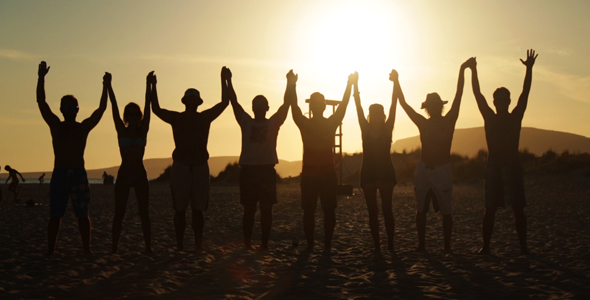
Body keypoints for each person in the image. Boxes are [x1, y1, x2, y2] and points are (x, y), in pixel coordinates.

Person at [396, 58, 472, 252]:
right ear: (428, 108)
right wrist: (396, 82)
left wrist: (463, 69)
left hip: (442, 170)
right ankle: (421, 245)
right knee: (420, 209)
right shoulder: (423, 123)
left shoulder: (449, 120)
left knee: (446, 211)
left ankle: (447, 247)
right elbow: (404, 104)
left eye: (436, 104)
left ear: (440, 106)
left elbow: (459, 94)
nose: (434, 107)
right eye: (431, 105)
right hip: (424, 169)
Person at [152, 67, 229, 251]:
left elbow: (224, 102)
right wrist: (152, 86)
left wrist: (223, 79)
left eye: (194, 100)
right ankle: (181, 245)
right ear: (186, 102)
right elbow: (155, 108)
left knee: (197, 209)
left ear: (197, 102)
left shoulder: (204, 118)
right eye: (190, 100)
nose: (192, 102)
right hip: (182, 166)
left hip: (199, 166)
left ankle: (197, 244)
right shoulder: (179, 118)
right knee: (180, 209)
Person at [470, 50, 538, 255]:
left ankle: (524, 247)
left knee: (518, 208)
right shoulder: (489, 117)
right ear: (494, 102)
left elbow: (525, 93)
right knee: (489, 209)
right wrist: (473, 70)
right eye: (497, 99)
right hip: (493, 166)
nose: (500, 102)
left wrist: (529, 69)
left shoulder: (515, 116)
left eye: (504, 99)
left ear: (508, 101)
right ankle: (486, 247)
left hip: (512, 165)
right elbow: (477, 94)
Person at [37, 61, 108, 255]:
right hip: (60, 174)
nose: (69, 110)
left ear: (77, 109)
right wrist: (41, 78)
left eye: (72, 107)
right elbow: (42, 103)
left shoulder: (82, 128)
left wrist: (106, 87)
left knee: (82, 215)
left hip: (78, 174)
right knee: (55, 215)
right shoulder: (56, 126)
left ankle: (86, 249)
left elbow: (100, 110)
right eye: (65, 107)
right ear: (61, 109)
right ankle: (51, 250)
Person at [289, 70, 355, 251]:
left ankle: (317, 245)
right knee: (322, 211)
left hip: (319, 172)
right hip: (319, 172)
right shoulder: (325, 123)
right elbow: (343, 105)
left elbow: (293, 106)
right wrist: (349, 85)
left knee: (319, 211)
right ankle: (322, 244)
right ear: (322, 107)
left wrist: (291, 84)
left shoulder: (312, 123)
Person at [227, 68, 290, 250]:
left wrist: (291, 84)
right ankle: (247, 243)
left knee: (266, 210)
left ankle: (263, 244)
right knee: (249, 210)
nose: (259, 107)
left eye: (262, 105)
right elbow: (234, 102)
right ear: (253, 107)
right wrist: (228, 81)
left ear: (267, 108)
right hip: (248, 171)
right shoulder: (246, 122)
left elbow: (286, 105)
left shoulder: (273, 123)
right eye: (256, 104)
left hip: (266, 171)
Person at [109, 71, 155, 253]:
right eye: (131, 114)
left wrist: (149, 85)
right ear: (126, 117)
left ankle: (148, 248)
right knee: (119, 213)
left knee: (144, 213)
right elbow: (113, 106)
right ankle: (114, 248)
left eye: (137, 114)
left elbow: (148, 105)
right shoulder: (121, 130)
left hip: (140, 173)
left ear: (140, 116)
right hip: (124, 173)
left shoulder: (144, 130)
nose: (134, 117)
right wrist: (108, 87)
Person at [353, 71, 398, 251]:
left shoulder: (387, 130)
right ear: (370, 115)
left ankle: (391, 245)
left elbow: (394, 105)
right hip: (369, 174)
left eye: (379, 113)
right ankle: (377, 246)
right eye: (373, 113)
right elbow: (358, 107)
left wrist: (395, 83)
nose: (376, 116)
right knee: (373, 212)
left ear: (383, 115)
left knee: (387, 210)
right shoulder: (365, 128)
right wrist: (355, 85)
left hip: (386, 173)